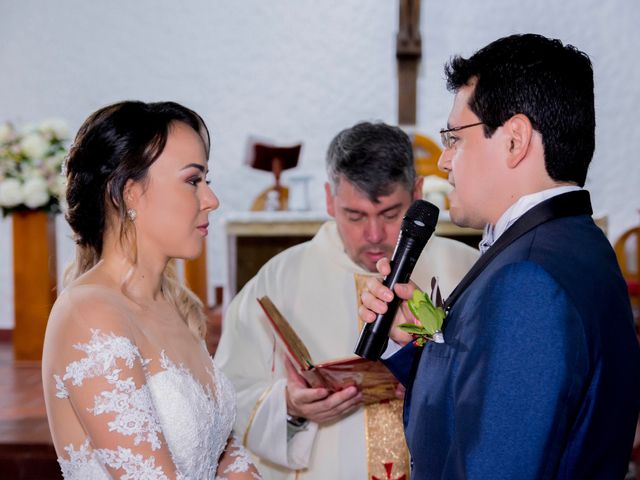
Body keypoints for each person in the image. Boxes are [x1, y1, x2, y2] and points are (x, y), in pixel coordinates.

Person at [359, 34, 640, 479]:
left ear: (514, 140)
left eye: (454, 138)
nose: (445, 161)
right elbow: (486, 410)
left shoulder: (529, 280)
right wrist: (407, 340)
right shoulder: (573, 244)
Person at [214, 122, 479, 479]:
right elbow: (228, 394)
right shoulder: (278, 280)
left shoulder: (465, 270)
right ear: (329, 199)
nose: (373, 235)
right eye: (355, 215)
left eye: (390, 213)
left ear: (417, 193)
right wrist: (290, 407)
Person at [42, 101, 262, 479]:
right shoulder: (90, 314)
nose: (211, 199)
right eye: (193, 180)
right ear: (130, 193)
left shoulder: (172, 305)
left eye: (207, 181)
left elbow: (223, 453)